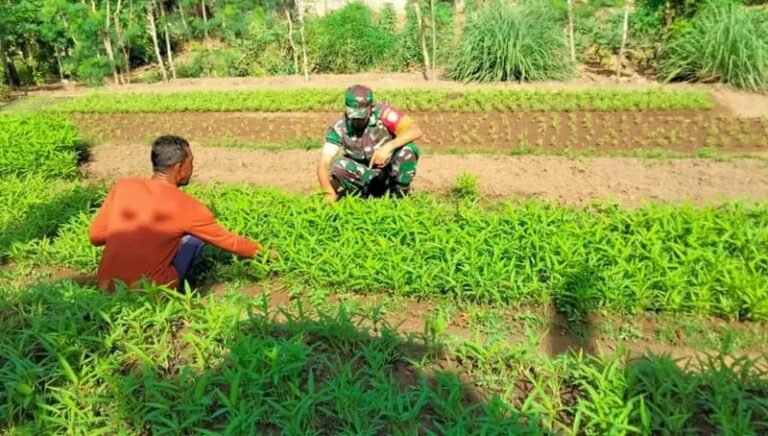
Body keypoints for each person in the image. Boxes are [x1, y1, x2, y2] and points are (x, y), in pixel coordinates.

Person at [88, 135, 263, 292]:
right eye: (191, 163)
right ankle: (179, 289)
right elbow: (230, 242)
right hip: (151, 292)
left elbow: (96, 236)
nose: (192, 168)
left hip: (107, 288)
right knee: (193, 239)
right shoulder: (187, 206)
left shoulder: (123, 187)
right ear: (179, 167)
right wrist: (270, 254)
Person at [316, 84, 424, 203]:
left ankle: (400, 199)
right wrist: (329, 193)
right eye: (353, 117)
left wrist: (388, 147)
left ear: (371, 108)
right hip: (365, 175)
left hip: (389, 171)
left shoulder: (384, 113)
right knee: (339, 166)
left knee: (408, 150)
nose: (357, 121)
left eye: (361, 117)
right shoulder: (339, 127)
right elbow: (324, 162)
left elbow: (415, 131)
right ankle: (365, 198)